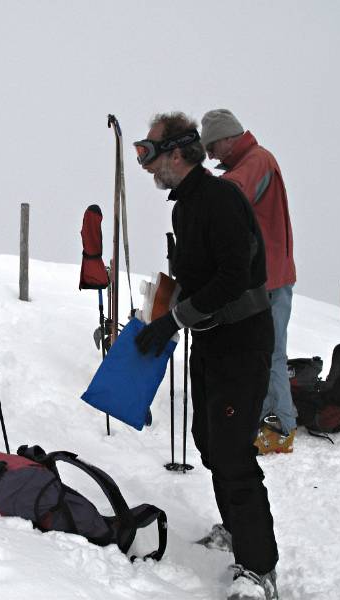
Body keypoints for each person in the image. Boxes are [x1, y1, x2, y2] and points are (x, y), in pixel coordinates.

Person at [133, 112, 279, 599]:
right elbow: (198, 278)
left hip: (242, 338)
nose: (146, 165)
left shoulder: (219, 198)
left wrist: (176, 319)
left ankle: (259, 569)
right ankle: (237, 530)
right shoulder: (185, 207)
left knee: (234, 450)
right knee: (210, 440)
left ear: (178, 153)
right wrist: (162, 312)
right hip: (211, 338)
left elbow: (234, 276)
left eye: (150, 153)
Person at [201, 109, 298, 455]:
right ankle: (263, 418)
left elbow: (234, 193)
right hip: (270, 277)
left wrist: (195, 185)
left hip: (270, 280)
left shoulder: (256, 161)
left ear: (229, 138)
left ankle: (283, 428)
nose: (210, 155)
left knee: (269, 354)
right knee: (262, 353)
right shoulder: (252, 161)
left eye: (212, 147)